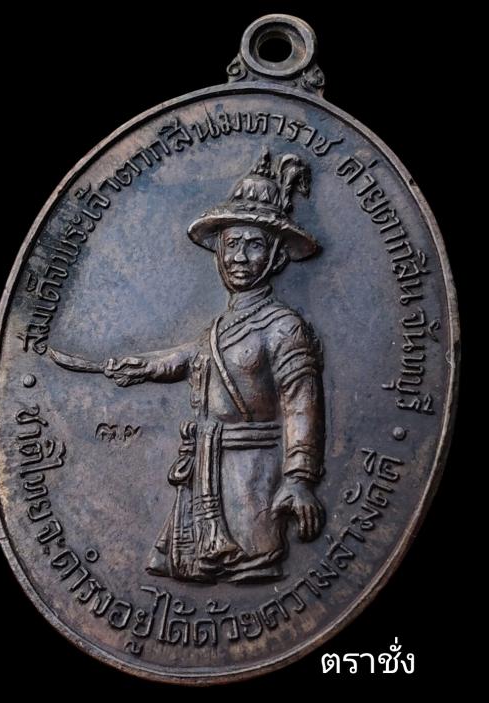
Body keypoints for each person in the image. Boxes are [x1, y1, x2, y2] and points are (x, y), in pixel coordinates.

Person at [105, 148, 326, 583]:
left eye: (254, 245)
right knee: (201, 567)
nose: (240, 257)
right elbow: (191, 355)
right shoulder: (222, 325)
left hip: (254, 470)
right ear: (218, 253)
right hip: (208, 467)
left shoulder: (284, 327)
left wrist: (299, 477)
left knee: (254, 566)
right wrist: (143, 366)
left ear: (277, 257)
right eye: (232, 244)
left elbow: (301, 404)